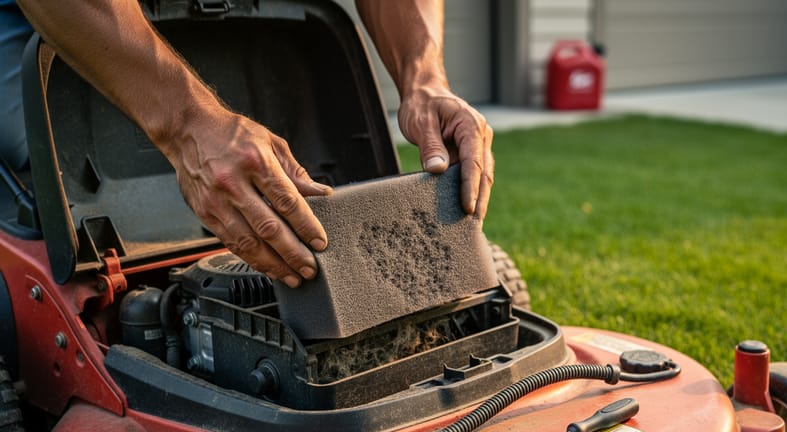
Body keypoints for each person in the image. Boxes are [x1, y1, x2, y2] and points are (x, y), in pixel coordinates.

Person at [11, 0, 494, 288]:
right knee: (29, 147)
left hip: (264, 26)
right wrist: (187, 125)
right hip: (60, 23)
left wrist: (424, 78)